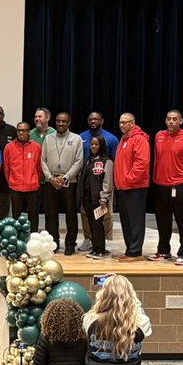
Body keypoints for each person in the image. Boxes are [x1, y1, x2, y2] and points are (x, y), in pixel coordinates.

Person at [151, 110, 183, 265]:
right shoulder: (159, 136)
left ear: (181, 121)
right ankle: (164, 251)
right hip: (160, 185)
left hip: (179, 185)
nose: (171, 121)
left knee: (182, 220)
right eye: (169, 119)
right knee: (162, 220)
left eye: (174, 119)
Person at [41, 112, 84, 255]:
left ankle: (70, 244)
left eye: (64, 121)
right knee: (50, 214)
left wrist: (65, 177)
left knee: (71, 214)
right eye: (58, 121)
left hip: (69, 182)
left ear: (69, 123)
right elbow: (43, 160)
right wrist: (50, 178)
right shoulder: (48, 138)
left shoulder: (76, 139)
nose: (60, 124)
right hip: (51, 182)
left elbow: (79, 161)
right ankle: (53, 243)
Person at [79, 111, 118, 255]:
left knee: (101, 220)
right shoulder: (82, 140)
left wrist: (104, 197)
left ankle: (102, 245)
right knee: (89, 219)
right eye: (91, 119)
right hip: (88, 194)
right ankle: (92, 243)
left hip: (100, 194)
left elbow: (108, 177)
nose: (93, 146)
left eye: (96, 119)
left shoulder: (111, 142)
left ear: (102, 120)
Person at [114, 112, 150, 261]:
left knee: (135, 221)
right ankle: (130, 249)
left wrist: (128, 179)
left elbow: (142, 164)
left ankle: (135, 252)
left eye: (125, 122)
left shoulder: (139, 139)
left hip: (135, 187)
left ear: (133, 123)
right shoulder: (123, 140)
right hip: (123, 187)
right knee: (126, 221)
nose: (122, 125)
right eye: (120, 122)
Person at [79, 136, 113, 260]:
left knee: (98, 224)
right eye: (92, 144)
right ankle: (95, 248)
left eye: (96, 144)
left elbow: (107, 182)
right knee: (92, 224)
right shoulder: (88, 160)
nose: (93, 147)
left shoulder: (107, 161)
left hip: (99, 199)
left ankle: (101, 250)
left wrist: (104, 198)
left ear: (102, 146)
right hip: (87, 198)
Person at [3, 122, 42, 224]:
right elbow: (6, 168)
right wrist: (12, 181)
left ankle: (33, 236)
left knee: (33, 214)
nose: (21, 133)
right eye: (19, 130)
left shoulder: (36, 147)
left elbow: (39, 166)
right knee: (16, 215)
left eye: (24, 130)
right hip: (15, 187)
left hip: (32, 187)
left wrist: (35, 180)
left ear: (29, 132)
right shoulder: (9, 147)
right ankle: (16, 237)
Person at [0, 105, 18, 218]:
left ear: (3, 115)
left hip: (5, 175)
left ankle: (2, 228)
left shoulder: (12, 130)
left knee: (3, 203)